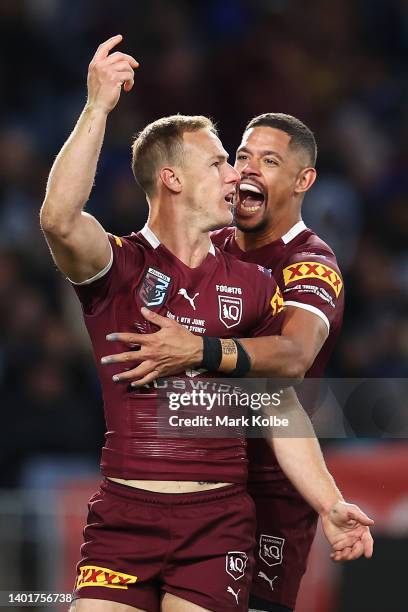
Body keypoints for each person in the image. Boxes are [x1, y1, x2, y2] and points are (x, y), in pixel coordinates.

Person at [40, 36, 372, 612]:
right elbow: (59, 220)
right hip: (124, 516)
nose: (236, 174)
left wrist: (328, 502)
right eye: (223, 159)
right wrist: (98, 105)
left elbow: (279, 399)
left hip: (219, 523)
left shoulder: (258, 282)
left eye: (252, 161)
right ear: (171, 178)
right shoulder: (120, 267)